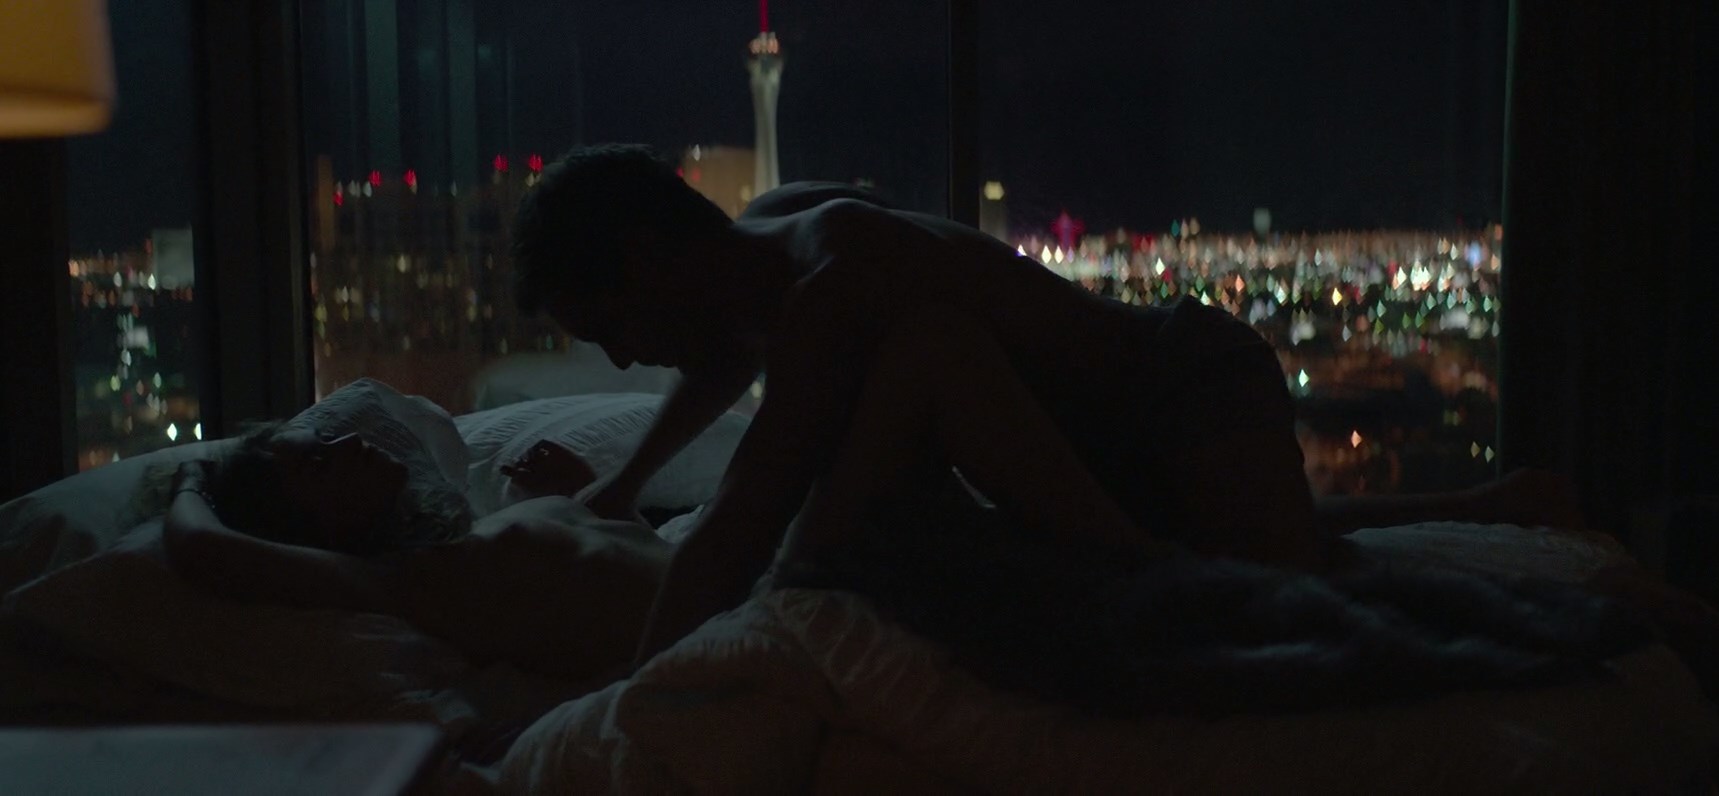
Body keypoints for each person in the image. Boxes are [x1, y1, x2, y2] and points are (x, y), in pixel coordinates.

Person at [509, 143, 1584, 666]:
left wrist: (606, 708)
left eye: (610, 327)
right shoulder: (771, 243)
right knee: (1248, 549)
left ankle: (1518, 526)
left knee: (1284, 586)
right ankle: (1494, 502)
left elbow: (738, 526)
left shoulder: (830, 286)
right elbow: (717, 363)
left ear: (648, 259)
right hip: (1110, 434)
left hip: (1182, 391)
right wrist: (622, 487)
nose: (622, 359)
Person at [162, 423, 671, 681]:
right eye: (319, 464)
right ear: (299, 528)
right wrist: (191, 480)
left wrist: (602, 504)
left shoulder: (466, 540)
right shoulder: (404, 581)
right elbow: (205, 550)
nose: (351, 440)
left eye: (327, 439)